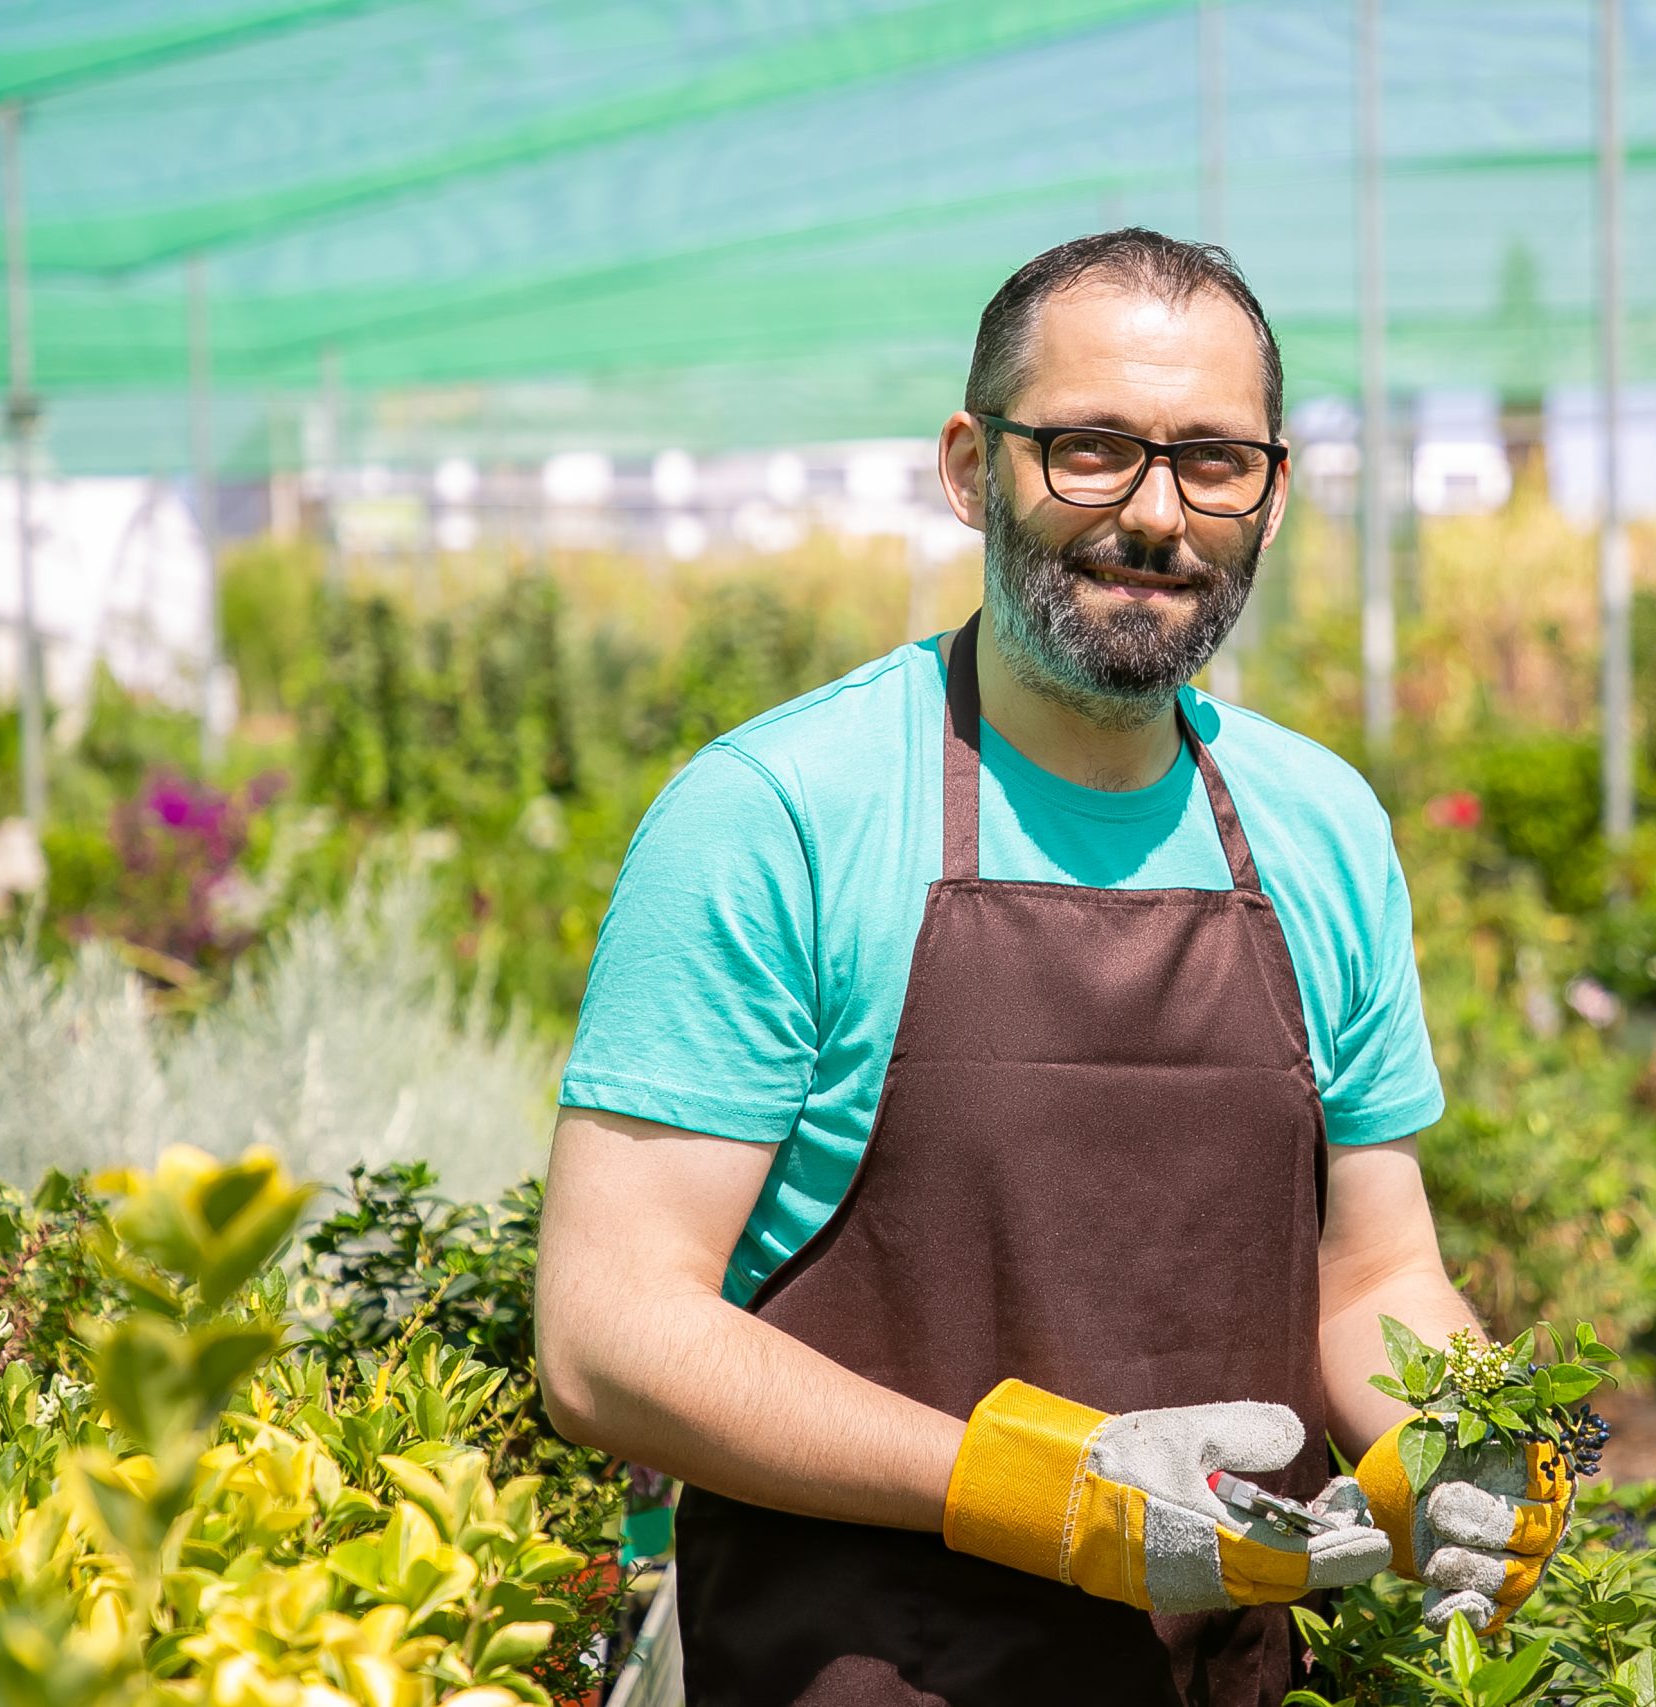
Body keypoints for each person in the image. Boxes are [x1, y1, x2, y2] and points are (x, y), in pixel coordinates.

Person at [536, 229, 1572, 1707]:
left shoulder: (1322, 829)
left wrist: (1456, 1436)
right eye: (1091, 450)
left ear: (1272, 490)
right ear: (972, 468)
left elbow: (1378, 1268)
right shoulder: (785, 815)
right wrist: (1042, 1492)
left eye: (1216, 461)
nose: (1156, 514)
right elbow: (607, 1335)